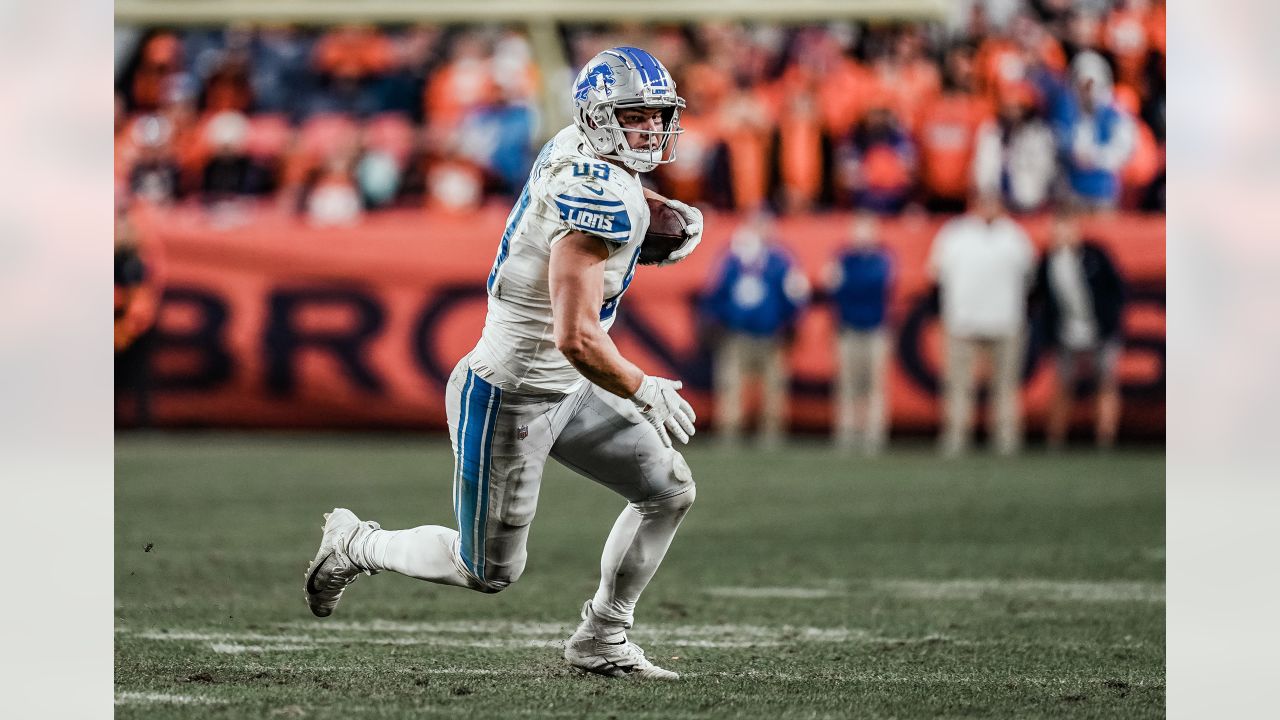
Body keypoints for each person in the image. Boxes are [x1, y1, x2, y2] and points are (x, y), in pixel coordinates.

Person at [304, 47, 705, 681]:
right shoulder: (591, 200)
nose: (653, 130)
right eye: (637, 116)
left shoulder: (581, 151)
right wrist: (641, 386)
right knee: (487, 571)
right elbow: (576, 337)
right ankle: (356, 543)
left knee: (668, 490)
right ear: (600, 118)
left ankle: (603, 636)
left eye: (659, 116)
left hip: (567, 387)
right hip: (510, 392)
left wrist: (655, 215)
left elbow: (613, 207)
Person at [929, 193, 1034, 456]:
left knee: (1006, 385)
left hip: (1006, 320)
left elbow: (1030, 279)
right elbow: (936, 274)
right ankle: (956, 434)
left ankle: (1006, 436)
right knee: (958, 383)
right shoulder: (954, 234)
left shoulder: (1014, 236)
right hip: (963, 321)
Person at [702, 213, 811, 447]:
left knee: (774, 389)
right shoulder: (733, 258)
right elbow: (717, 292)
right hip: (736, 333)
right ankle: (729, 433)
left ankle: (771, 435)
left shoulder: (781, 260)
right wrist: (716, 320)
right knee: (731, 386)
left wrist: (791, 324)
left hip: (770, 335)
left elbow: (794, 295)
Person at [1032, 207, 1127, 449]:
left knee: (1105, 383)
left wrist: (1109, 320)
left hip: (1099, 330)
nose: (1062, 234)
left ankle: (1105, 437)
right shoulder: (1048, 261)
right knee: (1063, 385)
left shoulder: (1095, 255)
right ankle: (1055, 439)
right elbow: (1036, 297)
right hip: (1066, 332)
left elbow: (1116, 290)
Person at [825, 213, 894, 455]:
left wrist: (847, 282)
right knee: (847, 385)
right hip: (848, 329)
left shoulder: (882, 258)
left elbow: (871, 285)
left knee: (874, 386)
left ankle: (874, 434)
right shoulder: (844, 257)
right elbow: (833, 287)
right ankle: (847, 432)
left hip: (875, 329)